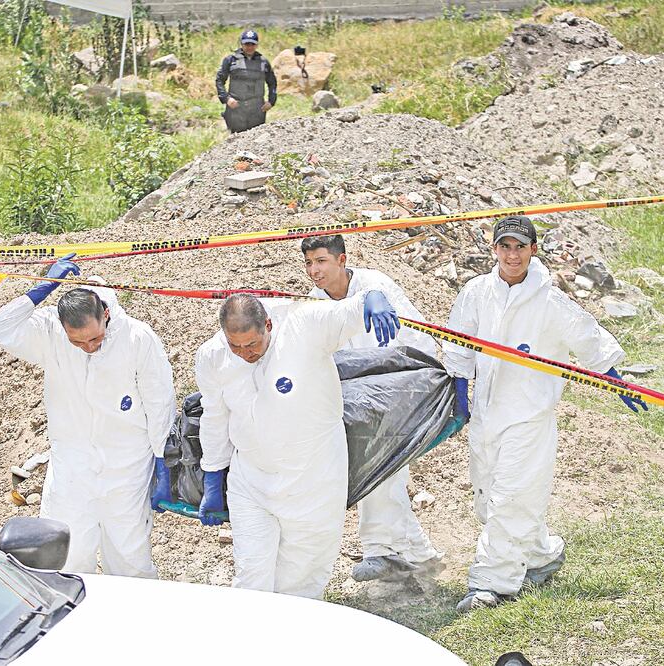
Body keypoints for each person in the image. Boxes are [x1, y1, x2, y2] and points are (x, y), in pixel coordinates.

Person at [443, 216, 647, 613]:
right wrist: (461, 395)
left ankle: (491, 583)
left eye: (520, 246)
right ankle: (541, 554)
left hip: (528, 415)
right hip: (486, 413)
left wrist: (617, 380)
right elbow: (459, 342)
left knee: (510, 498)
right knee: (489, 499)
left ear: (533, 250)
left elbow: (587, 337)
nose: (512, 254)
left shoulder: (549, 300)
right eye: (505, 246)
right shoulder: (477, 292)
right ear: (495, 250)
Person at [171, 290, 400, 599]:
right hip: (250, 481)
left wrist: (371, 299)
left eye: (252, 344)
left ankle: (292, 643)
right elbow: (215, 415)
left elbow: (345, 312)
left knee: (300, 582)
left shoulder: (303, 327)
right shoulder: (213, 355)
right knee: (251, 575)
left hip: (312, 482)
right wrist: (213, 475)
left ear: (268, 324)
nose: (245, 353)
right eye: (235, 346)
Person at [0, 254, 176, 578]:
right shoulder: (49, 333)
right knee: (66, 558)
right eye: (78, 342)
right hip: (71, 466)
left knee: (130, 560)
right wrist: (42, 288)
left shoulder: (136, 338)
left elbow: (160, 403)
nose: (88, 347)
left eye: (95, 338)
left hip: (127, 465)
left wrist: (162, 461)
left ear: (105, 314)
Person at [301, 234, 444, 583]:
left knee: (380, 464)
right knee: (379, 470)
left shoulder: (376, 287)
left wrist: (427, 383)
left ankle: (380, 550)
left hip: (400, 385)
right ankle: (419, 555)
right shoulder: (313, 302)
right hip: (355, 398)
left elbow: (415, 338)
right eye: (308, 263)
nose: (314, 270)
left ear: (342, 260)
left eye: (321, 261)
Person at [215, 29, 277, 133]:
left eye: (252, 44)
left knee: (256, 140)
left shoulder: (263, 62)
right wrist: (226, 99)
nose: (249, 47)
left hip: (257, 109)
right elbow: (219, 80)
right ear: (241, 44)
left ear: (256, 45)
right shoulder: (231, 60)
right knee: (236, 141)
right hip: (236, 108)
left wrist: (271, 101)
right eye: (246, 44)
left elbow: (272, 83)